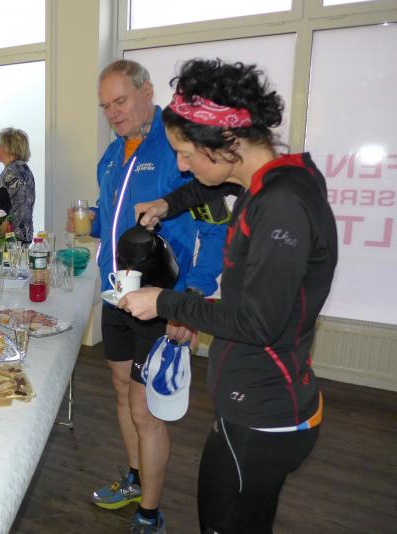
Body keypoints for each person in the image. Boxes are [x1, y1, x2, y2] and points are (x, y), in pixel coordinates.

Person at [121, 58, 337, 534]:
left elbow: (258, 323)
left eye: (185, 153)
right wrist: (168, 203)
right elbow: (208, 187)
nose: (181, 165)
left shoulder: (280, 205)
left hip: (263, 415)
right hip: (258, 403)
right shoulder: (271, 182)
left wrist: (164, 301)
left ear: (227, 142)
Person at [70, 59, 226, 533]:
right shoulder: (112, 155)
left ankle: (150, 513)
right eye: (105, 106)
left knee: (146, 410)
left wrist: (192, 299)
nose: (112, 113)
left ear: (147, 92)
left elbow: (215, 231)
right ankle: (137, 480)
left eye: (120, 101)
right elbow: (114, 220)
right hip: (117, 295)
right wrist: (90, 222)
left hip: (162, 300)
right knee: (122, 392)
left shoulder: (178, 148)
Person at [0, 127, 35, 243]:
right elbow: (6, 202)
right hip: (13, 236)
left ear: (8, 147)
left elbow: (17, 208)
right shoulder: (18, 169)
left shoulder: (14, 172)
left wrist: (0, 231)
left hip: (11, 239)